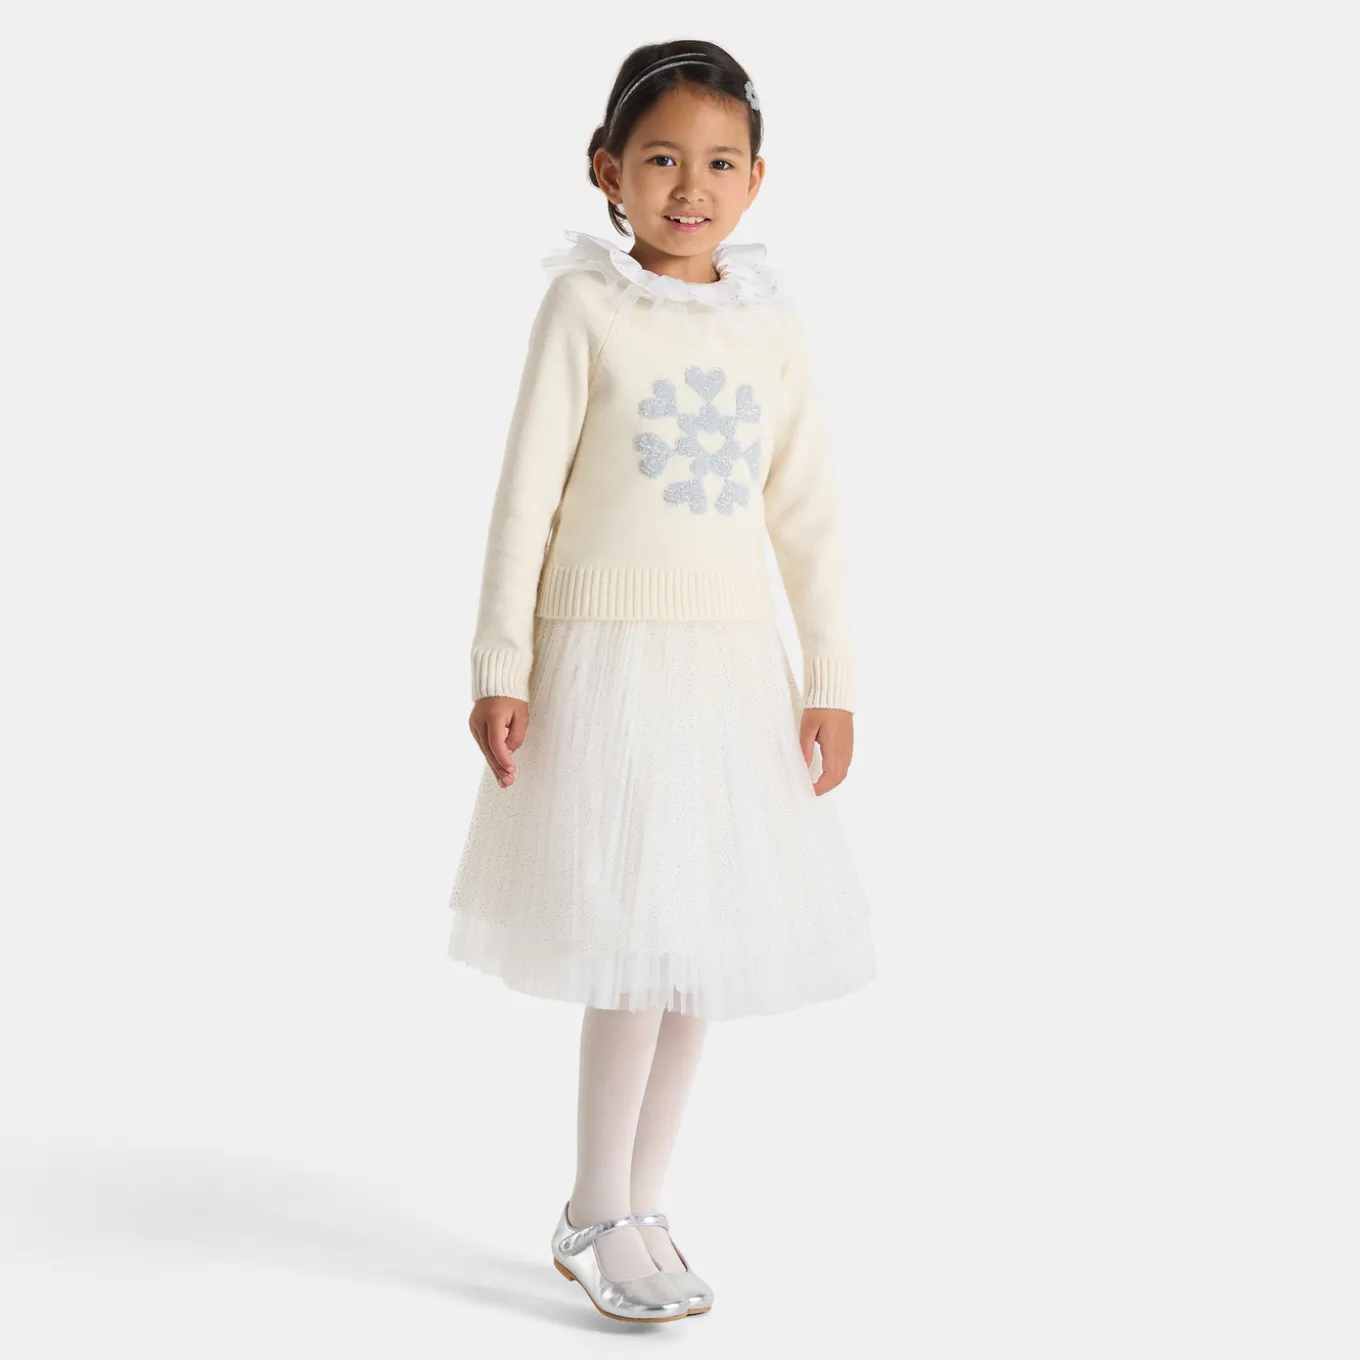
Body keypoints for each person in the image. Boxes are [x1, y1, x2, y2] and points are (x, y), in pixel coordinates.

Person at [445, 38, 876, 1324]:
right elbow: (524, 496)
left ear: (757, 180)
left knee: (697, 955)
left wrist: (829, 674)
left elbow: (807, 511)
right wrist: (501, 662)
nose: (692, 186)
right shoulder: (584, 309)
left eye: (720, 163)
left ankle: (642, 1199)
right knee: (633, 948)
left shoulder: (770, 324)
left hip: (728, 666)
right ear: (608, 171)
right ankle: (594, 1205)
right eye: (662, 159)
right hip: (609, 658)